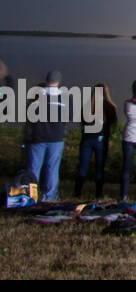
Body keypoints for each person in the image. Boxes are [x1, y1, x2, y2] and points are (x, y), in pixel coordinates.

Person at [24, 70, 70, 202]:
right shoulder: (65, 98)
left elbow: (29, 116)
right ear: (58, 81)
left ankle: (31, 196)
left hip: (38, 138)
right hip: (56, 138)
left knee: (33, 168)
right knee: (52, 168)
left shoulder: (37, 96)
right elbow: (69, 116)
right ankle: (50, 197)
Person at [74, 83, 117, 199]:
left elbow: (82, 123)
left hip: (87, 140)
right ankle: (99, 193)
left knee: (82, 167)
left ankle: (77, 192)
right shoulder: (110, 107)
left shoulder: (87, 106)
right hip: (101, 140)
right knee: (99, 168)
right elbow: (113, 123)